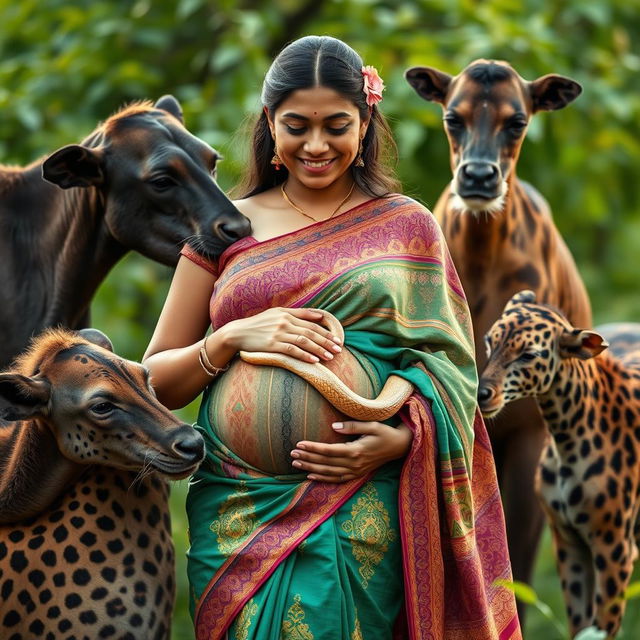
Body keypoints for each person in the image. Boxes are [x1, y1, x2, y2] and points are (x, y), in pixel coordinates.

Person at [143, 35, 521, 640]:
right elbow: (154, 381)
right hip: (238, 517)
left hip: (362, 509)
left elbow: (451, 369)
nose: (315, 145)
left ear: (365, 122)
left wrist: (399, 441)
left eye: (336, 126)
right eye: (297, 125)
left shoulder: (406, 226)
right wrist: (230, 339)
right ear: (270, 122)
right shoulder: (224, 226)